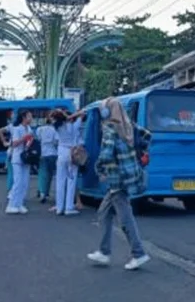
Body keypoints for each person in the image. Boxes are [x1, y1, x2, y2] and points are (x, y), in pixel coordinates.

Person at [87, 97, 150, 271]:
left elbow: (105, 156)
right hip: (129, 176)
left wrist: (99, 169)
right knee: (104, 212)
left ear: (106, 112)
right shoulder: (129, 125)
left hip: (117, 179)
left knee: (125, 217)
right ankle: (104, 251)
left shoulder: (110, 129)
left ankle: (138, 253)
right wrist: (137, 153)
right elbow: (147, 136)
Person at [52, 109, 83, 216]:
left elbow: (66, 118)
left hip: (61, 154)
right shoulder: (73, 126)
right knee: (71, 181)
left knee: (60, 181)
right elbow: (80, 117)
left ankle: (59, 207)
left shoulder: (57, 126)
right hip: (71, 154)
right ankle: (68, 207)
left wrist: (64, 114)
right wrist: (79, 114)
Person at [6, 109, 34, 215]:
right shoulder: (17, 129)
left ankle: (19, 203)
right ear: (24, 117)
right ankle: (11, 205)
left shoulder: (29, 129)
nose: (31, 119)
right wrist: (24, 138)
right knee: (17, 182)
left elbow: (30, 142)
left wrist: (30, 141)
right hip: (17, 158)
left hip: (27, 158)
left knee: (24, 182)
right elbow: (14, 144)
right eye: (29, 116)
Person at [36, 113, 58, 204]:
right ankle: (46, 191)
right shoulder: (55, 130)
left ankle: (42, 193)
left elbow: (38, 140)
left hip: (42, 153)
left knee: (42, 173)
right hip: (53, 153)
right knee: (50, 174)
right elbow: (56, 142)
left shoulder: (39, 129)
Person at [0, 110, 14, 202]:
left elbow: (0, 130)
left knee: (12, 173)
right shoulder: (13, 126)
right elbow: (0, 130)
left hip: (11, 152)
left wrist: (4, 142)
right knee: (13, 174)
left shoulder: (11, 126)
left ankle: (11, 191)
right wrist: (4, 142)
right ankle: (10, 192)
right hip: (12, 153)